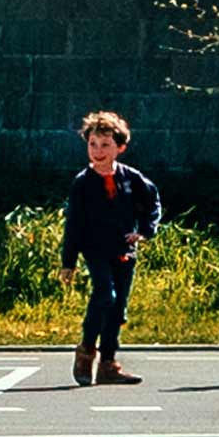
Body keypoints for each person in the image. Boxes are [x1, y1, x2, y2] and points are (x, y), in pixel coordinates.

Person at [60, 109, 161, 387]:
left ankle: (108, 363)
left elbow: (152, 204)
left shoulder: (132, 178)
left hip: (124, 251)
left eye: (105, 145)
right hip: (95, 249)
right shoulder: (82, 184)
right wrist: (68, 262)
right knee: (105, 294)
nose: (98, 151)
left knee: (118, 309)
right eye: (93, 144)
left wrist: (144, 231)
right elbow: (74, 224)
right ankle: (85, 352)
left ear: (120, 147)